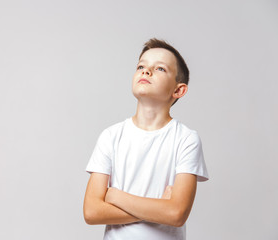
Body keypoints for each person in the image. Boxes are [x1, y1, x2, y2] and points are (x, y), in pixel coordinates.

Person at [83, 38, 209, 240]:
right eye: (141, 66)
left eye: (160, 69)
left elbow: (176, 214)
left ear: (179, 90)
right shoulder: (111, 136)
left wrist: (116, 196)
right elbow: (92, 212)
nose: (146, 71)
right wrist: (159, 206)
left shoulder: (186, 139)